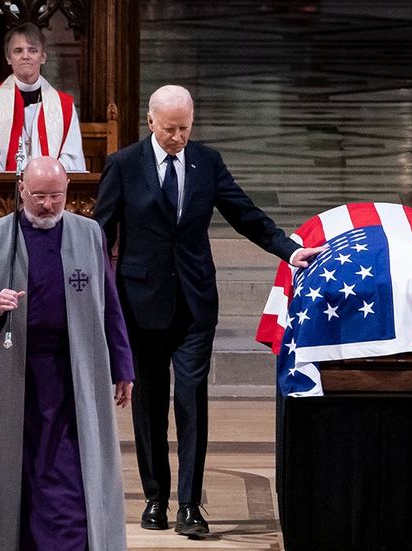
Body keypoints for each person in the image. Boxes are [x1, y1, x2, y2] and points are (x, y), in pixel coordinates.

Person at [94, 84, 324, 537]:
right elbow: (100, 233)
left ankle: (189, 506)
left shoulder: (207, 162)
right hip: (142, 304)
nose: (179, 136)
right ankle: (155, 499)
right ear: (151, 122)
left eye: (185, 127)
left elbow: (244, 213)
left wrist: (287, 249)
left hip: (196, 302)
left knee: (191, 399)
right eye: (170, 129)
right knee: (150, 403)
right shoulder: (123, 165)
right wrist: (93, 294)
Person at [0, 156, 133, 550]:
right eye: (39, 196)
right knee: (16, 468)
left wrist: (123, 366)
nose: (48, 205)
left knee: (69, 472)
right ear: (22, 190)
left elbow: (110, 303)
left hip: (74, 376)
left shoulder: (89, 234)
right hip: (15, 376)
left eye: (56, 196)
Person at [0, 22, 85, 173]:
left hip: (48, 191)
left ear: (43, 57)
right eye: (18, 51)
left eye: (32, 50)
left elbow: (71, 157)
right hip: (3, 191)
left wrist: (43, 178)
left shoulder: (64, 105)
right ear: (8, 58)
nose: (25, 56)